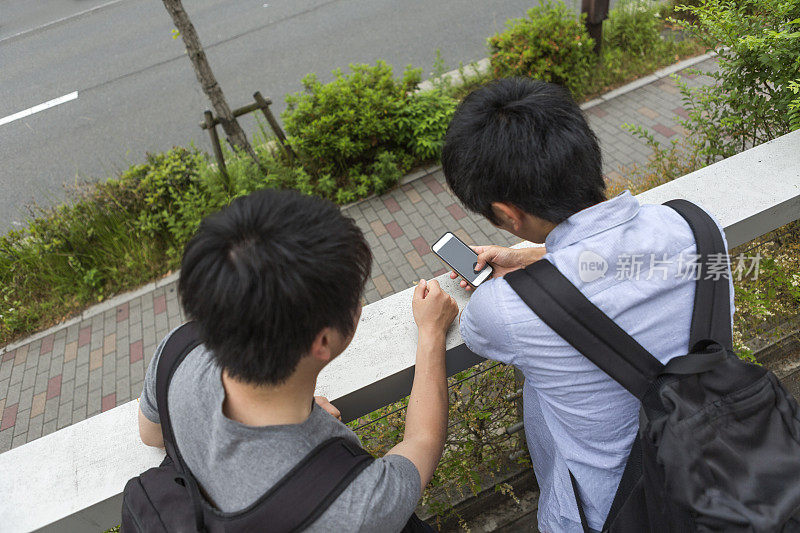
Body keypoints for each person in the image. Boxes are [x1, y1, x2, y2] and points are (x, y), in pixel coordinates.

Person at [441, 78, 733, 533]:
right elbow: (618, 258)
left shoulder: (502, 310)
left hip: (616, 514)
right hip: (725, 473)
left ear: (508, 215)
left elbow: (484, 328)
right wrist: (535, 259)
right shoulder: (696, 226)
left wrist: (528, 276)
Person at [137, 189, 459, 532]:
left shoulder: (177, 352)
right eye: (355, 297)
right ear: (322, 341)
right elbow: (421, 441)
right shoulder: (356, 505)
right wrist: (431, 332)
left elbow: (151, 433)